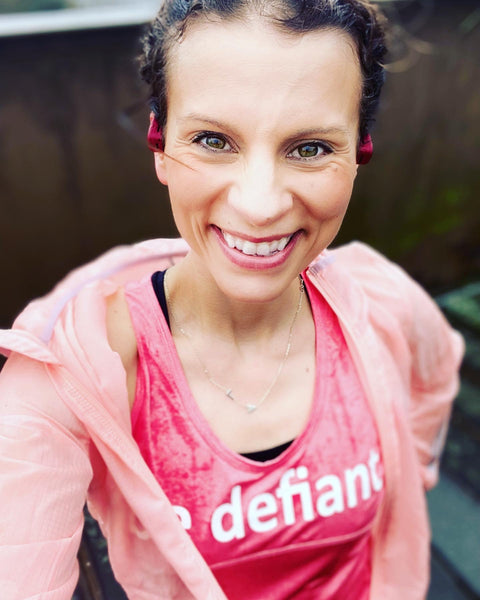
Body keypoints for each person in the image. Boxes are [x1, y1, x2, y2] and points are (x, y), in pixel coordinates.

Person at [0, 1, 464, 599]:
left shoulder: (384, 302)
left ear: (359, 154)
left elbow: (434, 376)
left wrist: (408, 471)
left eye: (310, 148)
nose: (260, 203)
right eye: (214, 140)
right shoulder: (72, 375)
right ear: (159, 145)